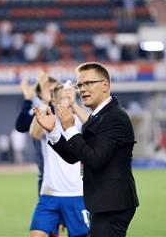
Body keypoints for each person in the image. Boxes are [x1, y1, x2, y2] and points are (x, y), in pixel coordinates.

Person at [34, 62, 139, 237]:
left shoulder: (114, 117)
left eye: (88, 83)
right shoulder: (98, 116)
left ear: (105, 85)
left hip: (113, 204)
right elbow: (74, 155)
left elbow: (95, 159)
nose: (82, 89)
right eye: (80, 85)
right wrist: (52, 131)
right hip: (102, 202)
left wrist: (69, 128)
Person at [29, 80, 89, 237]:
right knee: (36, 235)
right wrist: (44, 103)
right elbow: (34, 134)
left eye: (70, 96)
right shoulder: (49, 120)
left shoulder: (78, 120)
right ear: (54, 101)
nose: (67, 100)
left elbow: (95, 125)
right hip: (50, 194)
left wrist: (75, 104)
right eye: (64, 98)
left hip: (78, 193)